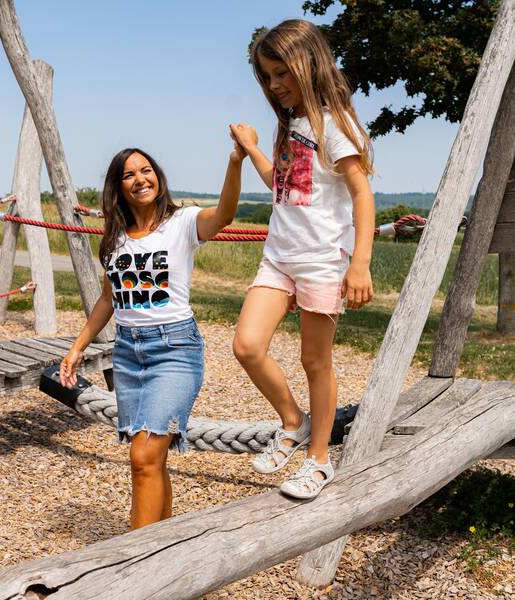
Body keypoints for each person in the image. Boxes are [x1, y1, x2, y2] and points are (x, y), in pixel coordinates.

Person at [59, 137, 247, 529]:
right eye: (129, 174)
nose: (140, 179)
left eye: (146, 170)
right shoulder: (114, 239)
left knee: (142, 458)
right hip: (128, 354)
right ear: (118, 186)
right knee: (149, 461)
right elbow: (108, 299)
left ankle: (134, 563)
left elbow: (225, 214)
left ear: (157, 177)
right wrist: (77, 348)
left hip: (175, 349)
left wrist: (235, 161)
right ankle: (161, 549)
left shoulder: (182, 223)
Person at [230, 19, 375, 499]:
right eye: (267, 77)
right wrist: (250, 150)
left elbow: (362, 195)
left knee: (316, 360)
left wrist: (360, 262)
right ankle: (291, 421)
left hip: (320, 261)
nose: (274, 85)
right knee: (247, 346)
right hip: (279, 257)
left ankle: (318, 460)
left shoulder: (335, 124)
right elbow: (284, 184)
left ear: (307, 65)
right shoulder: (289, 125)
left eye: (281, 74)